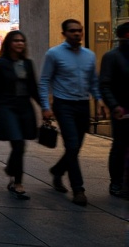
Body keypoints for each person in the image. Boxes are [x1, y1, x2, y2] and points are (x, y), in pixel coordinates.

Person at [39, 19, 105, 206]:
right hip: (63, 105)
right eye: (72, 31)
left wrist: (98, 99)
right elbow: (44, 81)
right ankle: (79, 189)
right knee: (73, 145)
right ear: (64, 34)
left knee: (75, 147)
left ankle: (58, 171)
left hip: (83, 105)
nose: (77, 34)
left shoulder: (89, 55)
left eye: (79, 30)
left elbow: (93, 81)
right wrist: (45, 107)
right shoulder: (54, 54)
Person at [0, 31, 43, 199]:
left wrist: (45, 107)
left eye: (22, 41)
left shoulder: (27, 63)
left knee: (21, 145)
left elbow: (34, 88)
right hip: (6, 107)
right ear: (9, 43)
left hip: (25, 108)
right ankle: (17, 182)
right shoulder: (0, 64)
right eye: (16, 41)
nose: (20, 44)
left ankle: (11, 169)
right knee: (18, 143)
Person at [99, 22, 129, 198]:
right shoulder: (112, 57)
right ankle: (116, 182)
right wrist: (114, 105)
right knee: (120, 145)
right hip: (122, 109)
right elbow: (105, 84)